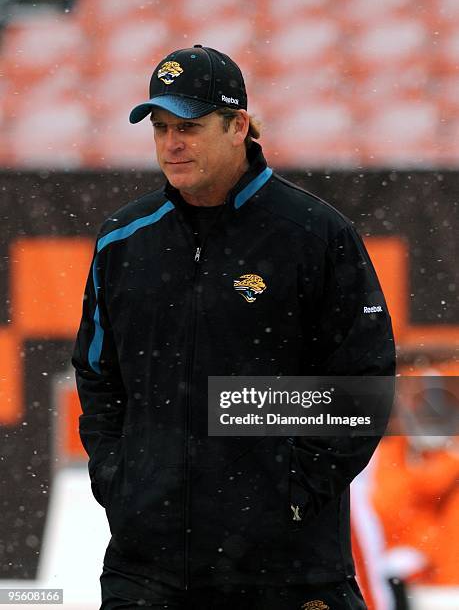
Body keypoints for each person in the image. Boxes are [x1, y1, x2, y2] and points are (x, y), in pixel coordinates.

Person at [72, 45, 396, 609]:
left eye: (190, 128)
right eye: (161, 128)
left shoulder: (315, 234)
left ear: (238, 126)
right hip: (147, 568)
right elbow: (98, 374)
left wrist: (290, 492)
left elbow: (362, 386)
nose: (172, 145)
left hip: (289, 569)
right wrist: (120, 481)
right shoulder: (123, 239)